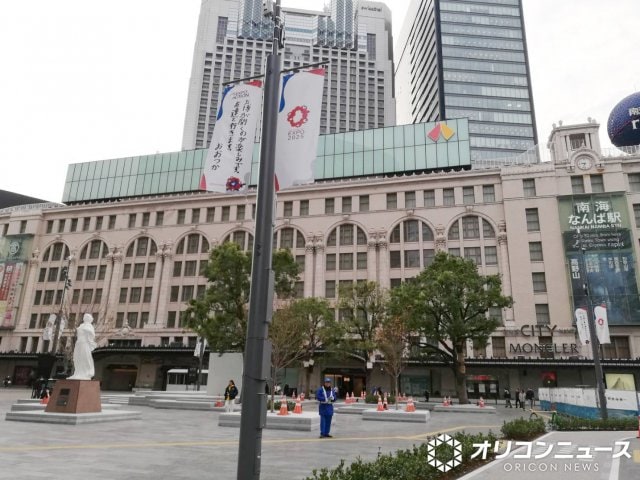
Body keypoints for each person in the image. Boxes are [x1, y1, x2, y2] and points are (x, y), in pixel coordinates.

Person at [68, 313, 97, 380]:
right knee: (77, 357)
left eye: (86, 317)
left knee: (84, 357)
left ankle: (85, 373)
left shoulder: (89, 326)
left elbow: (92, 334)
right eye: (84, 316)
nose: (84, 317)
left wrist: (87, 330)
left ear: (89, 319)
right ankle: (77, 373)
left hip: (84, 343)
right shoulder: (81, 325)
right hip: (79, 343)